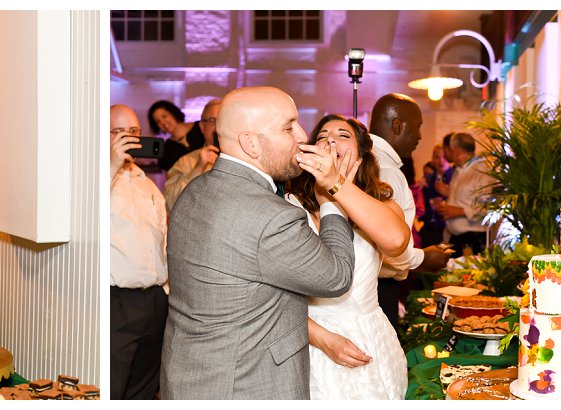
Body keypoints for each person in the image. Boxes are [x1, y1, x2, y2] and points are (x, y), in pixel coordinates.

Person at [162, 86, 357, 399]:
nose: (303, 135)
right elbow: (336, 275)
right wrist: (332, 199)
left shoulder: (193, 190)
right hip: (248, 384)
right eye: (288, 127)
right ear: (250, 143)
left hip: (189, 377)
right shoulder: (271, 215)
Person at [283, 114, 410, 399]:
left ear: (362, 156)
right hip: (309, 342)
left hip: (371, 339)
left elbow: (396, 241)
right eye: (322, 136)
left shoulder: (384, 206)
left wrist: (336, 186)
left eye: (343, 135)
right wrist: (321, 338)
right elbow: (273, 296)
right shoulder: (289, 209)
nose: (330, 139)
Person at [366, 94, 452, 326]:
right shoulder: (386, 170)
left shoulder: (374, 162)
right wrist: (424, 257)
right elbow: (387, 244)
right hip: (378, 287)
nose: (420, 136)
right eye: (418, 127)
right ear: (397, 125)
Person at [108, 104, 168, 399]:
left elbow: (163, 239)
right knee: (112, 386)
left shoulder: (147, 184)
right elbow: (83, 218)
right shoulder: (95, 178)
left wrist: (166, 291)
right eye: (118, 131)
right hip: (118, 301)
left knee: (145, 388)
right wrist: (110, 165)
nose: (128, 138)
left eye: (133, 131)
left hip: (155, 300)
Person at [433, 133, 492, 256]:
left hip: (472, 238)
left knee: (468, 274)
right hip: (453, 237)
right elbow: (466, 198)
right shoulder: (458, 170)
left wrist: (460, 211)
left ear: (456, 150)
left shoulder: (482, 170)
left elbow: (488, 208)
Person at [163, 98, 221, 210]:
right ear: (202, 126)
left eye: (223, 120)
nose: (218, 126)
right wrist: (198, 168)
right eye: (212, 121)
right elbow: (170, 204)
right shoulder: (186, 162)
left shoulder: (246, 158)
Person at [146, 100, 194, 173]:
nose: (163, 123)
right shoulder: (166, 149)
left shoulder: (201, 128)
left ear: (173, 113)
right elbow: (170, 179)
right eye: (158, 121)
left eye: (164, 116)